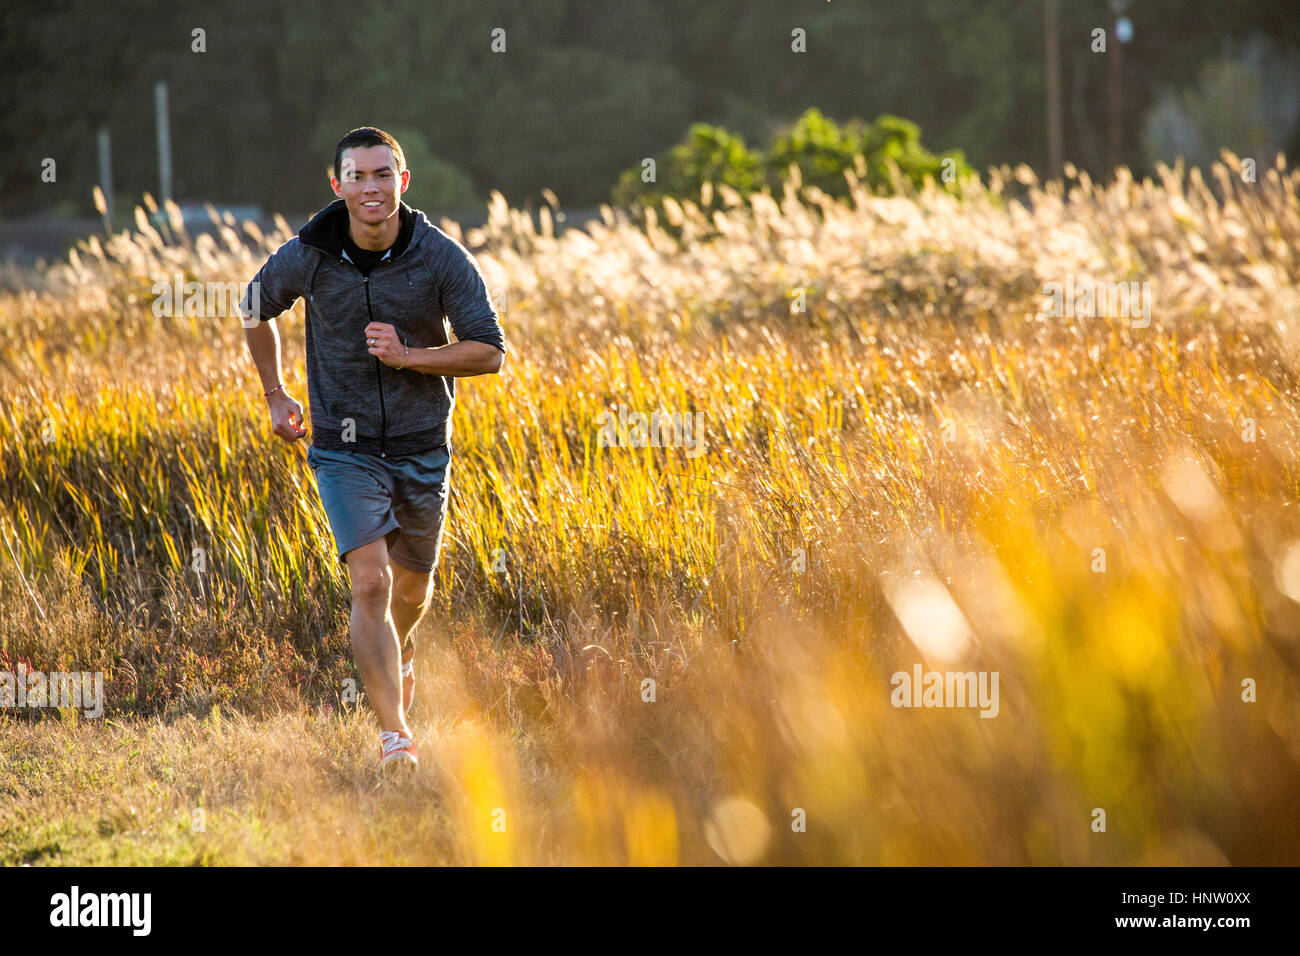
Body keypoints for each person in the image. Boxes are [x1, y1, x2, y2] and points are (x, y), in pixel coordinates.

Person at [239, 127, 506, 772]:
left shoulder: (439, 257)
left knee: (412, 590)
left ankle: (399, 652)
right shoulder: (308, 253)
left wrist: (412, 356)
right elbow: (253, 306)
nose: (370, 187)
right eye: (356, 176)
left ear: (402, 182)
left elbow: (490, 351)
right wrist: (276, 395)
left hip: (420, 445)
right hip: (342, 447)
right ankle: (395, 737)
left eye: (382, 174)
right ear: (338, 186)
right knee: (371, 582)